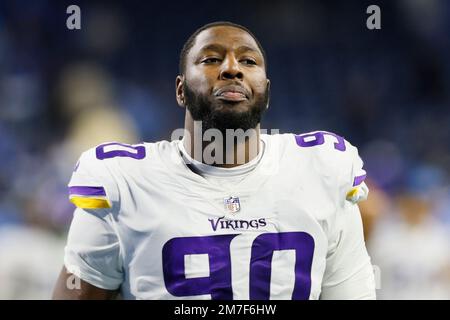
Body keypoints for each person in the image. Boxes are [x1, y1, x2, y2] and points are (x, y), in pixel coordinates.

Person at [52, 21, 376, 300]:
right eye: (211, 58)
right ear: (180, 90)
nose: (232, 68)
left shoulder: (322, 170)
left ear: (266, 90)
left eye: (248, 61)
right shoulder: (125, 182)